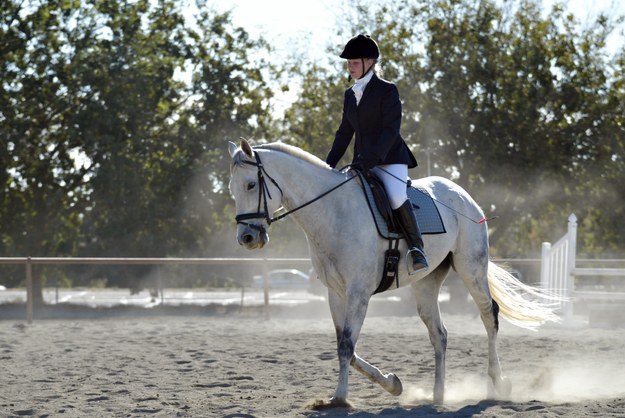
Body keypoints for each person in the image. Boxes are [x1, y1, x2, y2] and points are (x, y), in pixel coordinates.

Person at [325, 34, 428, 274]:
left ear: (369, 61)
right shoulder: (350, 95)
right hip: (361, 162)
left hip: (390, 159)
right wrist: (327, 166)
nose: (350, 67)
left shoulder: (387, 90)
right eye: (348, 63)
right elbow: (344, 134)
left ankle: (416, 248)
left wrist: (370, 158)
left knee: (394, 196)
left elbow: (391, 130)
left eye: (354, 62)